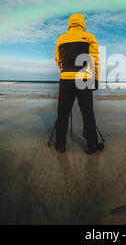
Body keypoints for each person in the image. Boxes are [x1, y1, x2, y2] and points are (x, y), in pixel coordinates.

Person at [53, 13, 103, 154]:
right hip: (84, 79)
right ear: (82, 23)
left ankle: (60, 143)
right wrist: (96, 78)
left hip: (65, 79)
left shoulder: (61, 38)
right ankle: (91, 145)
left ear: (69, 23)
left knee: (63, 113)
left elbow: (58, 60)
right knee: (87, 113)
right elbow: (95, 61)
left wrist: (65, 72)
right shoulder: (89, 37)